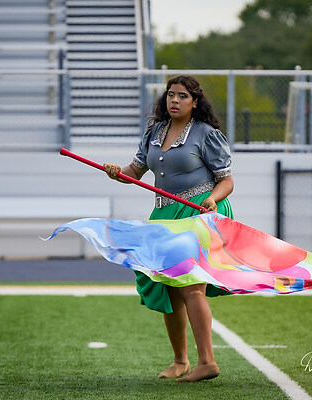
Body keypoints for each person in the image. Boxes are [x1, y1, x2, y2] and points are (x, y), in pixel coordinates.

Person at [103, 75, 234, 382]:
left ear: (195, 102)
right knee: (169, 285)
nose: (175, 100)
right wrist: (115, 172)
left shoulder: (206, 134)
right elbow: (135, 171)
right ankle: (180, 361)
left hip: (199, 211)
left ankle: (207, 362)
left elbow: (227, 180)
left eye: (183, 96)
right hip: (165, 215)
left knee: (191, 285)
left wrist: (212, 200)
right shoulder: (155, 131)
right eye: (171, 94)